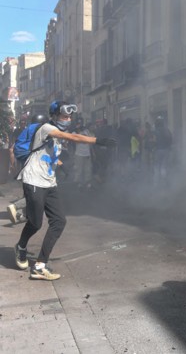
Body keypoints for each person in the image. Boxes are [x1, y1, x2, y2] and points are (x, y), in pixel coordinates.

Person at [14, 101, 116, 280]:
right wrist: (97, 141)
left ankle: (40, 265)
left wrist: (60, 165)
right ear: (54, 116)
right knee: (36, 223)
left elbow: (47, 153)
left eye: (70, 117)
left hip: (49, 182)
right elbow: (73, 138)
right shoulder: (46, 128)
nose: (68, 120)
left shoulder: (57, 136)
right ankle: (21, 246)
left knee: (59, 221)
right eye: (64, 116)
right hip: (34, 181)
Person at [7, 114, 48, 224]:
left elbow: (13, 150)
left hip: (25, 163)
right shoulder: (38, 131)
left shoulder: (27, 132)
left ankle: (26, 214)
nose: (23, 124)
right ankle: (15, 207)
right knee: (38, 191)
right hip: (33, 164)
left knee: (29, 189)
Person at [72, 117, 94, 189]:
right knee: (79, 170)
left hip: (87, 153)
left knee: (88, 169)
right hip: (79, 154)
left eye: (80, 123)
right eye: (78, 123)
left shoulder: (87, 131)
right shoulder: (74, 132)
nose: (79, 125)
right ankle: (79, 183)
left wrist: (92, 152)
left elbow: (90, 140)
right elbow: (75, 140)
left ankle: (87, 182)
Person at [152, 116, 172, 184]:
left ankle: (156, 183)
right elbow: (171, 139)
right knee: (164, 166)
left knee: (157, 166)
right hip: (166, 150)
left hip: (158, 150)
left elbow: (154, 141)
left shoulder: (155, 131)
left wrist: (153, 147)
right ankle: (164, 181)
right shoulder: (167, 130)